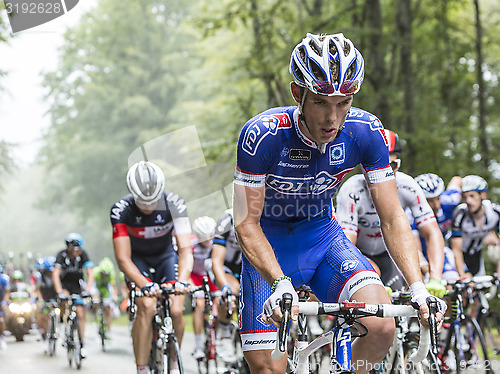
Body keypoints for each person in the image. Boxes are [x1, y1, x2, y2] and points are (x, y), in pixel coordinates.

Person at [233, 32, 446, 374]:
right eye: (320, 102)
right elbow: (245, 222)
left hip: (324, 240)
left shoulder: (365, 131)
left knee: (381, 326)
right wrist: (277, 281)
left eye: (343, 102)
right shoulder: (263, 135)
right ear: (297, 94)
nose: (332, 118)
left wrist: (418, 287)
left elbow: (392, 218)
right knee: (267, 367)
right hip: (269, 246)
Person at [336, 130, 446, 295]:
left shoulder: (408, 186)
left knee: (414, 290)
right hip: (359, 253)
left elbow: (432, 232)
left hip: (390, 253)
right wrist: (367, 273)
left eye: (391, 165)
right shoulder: (352, 189)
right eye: (374, 164)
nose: (382, 172)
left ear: (399, 165)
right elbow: (347, 242)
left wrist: (436, 278)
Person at [110, 161, 193, 374]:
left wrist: (183, 280)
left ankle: (174, 362)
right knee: (146, 305)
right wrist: (145, 285)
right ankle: (142, 368)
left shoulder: (175, 203)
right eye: (142, 202)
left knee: (176, 309)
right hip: (137, 260)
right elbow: (123, 259)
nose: (148, 207)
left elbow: (185, 251)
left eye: (153, 201)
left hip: (166, 256)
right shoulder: (121, 210)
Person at [206, 208, 242, 363]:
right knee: (232, 292)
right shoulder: (228, 219)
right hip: (222, 264)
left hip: (244, 266)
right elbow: (216, 262)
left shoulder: (265, 217)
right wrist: (225, 287)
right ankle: (224, 332)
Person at [413, 173, 462, 283]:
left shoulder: (450, 201)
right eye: (430, 200)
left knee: (453, 284)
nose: (436, 205)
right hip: (419, 255)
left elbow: (457, 179)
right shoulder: (411, 213)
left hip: (440, 251)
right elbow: (416, 250)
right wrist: (430, 274)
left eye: (438, 198)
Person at [52, 232, 94, 358]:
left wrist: (87, 289)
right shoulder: (61, 255)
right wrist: (59, 291)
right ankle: (64, 326)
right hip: (64, 285)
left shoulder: (83, 255)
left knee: (80, 313)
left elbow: (90, 273)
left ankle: (81, 343)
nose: (79, 251)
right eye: (77, 249)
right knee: (64, 302)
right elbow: (55, 274)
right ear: (69, 247)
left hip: (77, 285)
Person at [450, 175, 500, 278]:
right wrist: (462, 275)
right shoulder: (460, 214)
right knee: (464, 285)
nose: (468, 201)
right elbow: (456, 250)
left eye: (472, 196)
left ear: (483, 195)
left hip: (476, 254)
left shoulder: (495, 211)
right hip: (458, 255)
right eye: (465, 197)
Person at [189, 216, 218, 360]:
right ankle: (198, 345)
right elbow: (184, 265)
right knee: (199, 305)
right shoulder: (191, 243)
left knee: (220, 301)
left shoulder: (216, 242)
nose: (208, 241)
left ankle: (218, 337)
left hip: (210, 275)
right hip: (195, 277)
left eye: (210, 237)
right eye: (204, 238)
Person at [33, 256, 58, 343]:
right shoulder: (41, 277)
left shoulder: (57, 275)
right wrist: (41, 300)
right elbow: (38, 290)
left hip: (54, 297)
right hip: (44, 298)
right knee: (44, 315)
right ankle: (44, 331)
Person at [92, 257, 118, 335]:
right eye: (104, 274)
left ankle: (108, 330)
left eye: (107, 274)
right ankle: (95, 316)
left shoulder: (112, 274)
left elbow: (113, 287)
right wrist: (93, 295)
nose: (105, 275)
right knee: (95, 301)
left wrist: (114, 296)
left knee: (108, 309)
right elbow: (92, 285)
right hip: (97, 287)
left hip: (106, 289)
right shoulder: (96, 272)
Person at [0, 264, 9, 350]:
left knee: (1, 319)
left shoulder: (3, 279)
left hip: (0, 301)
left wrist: (4, 301)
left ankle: (2, 337)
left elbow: (7, 291)